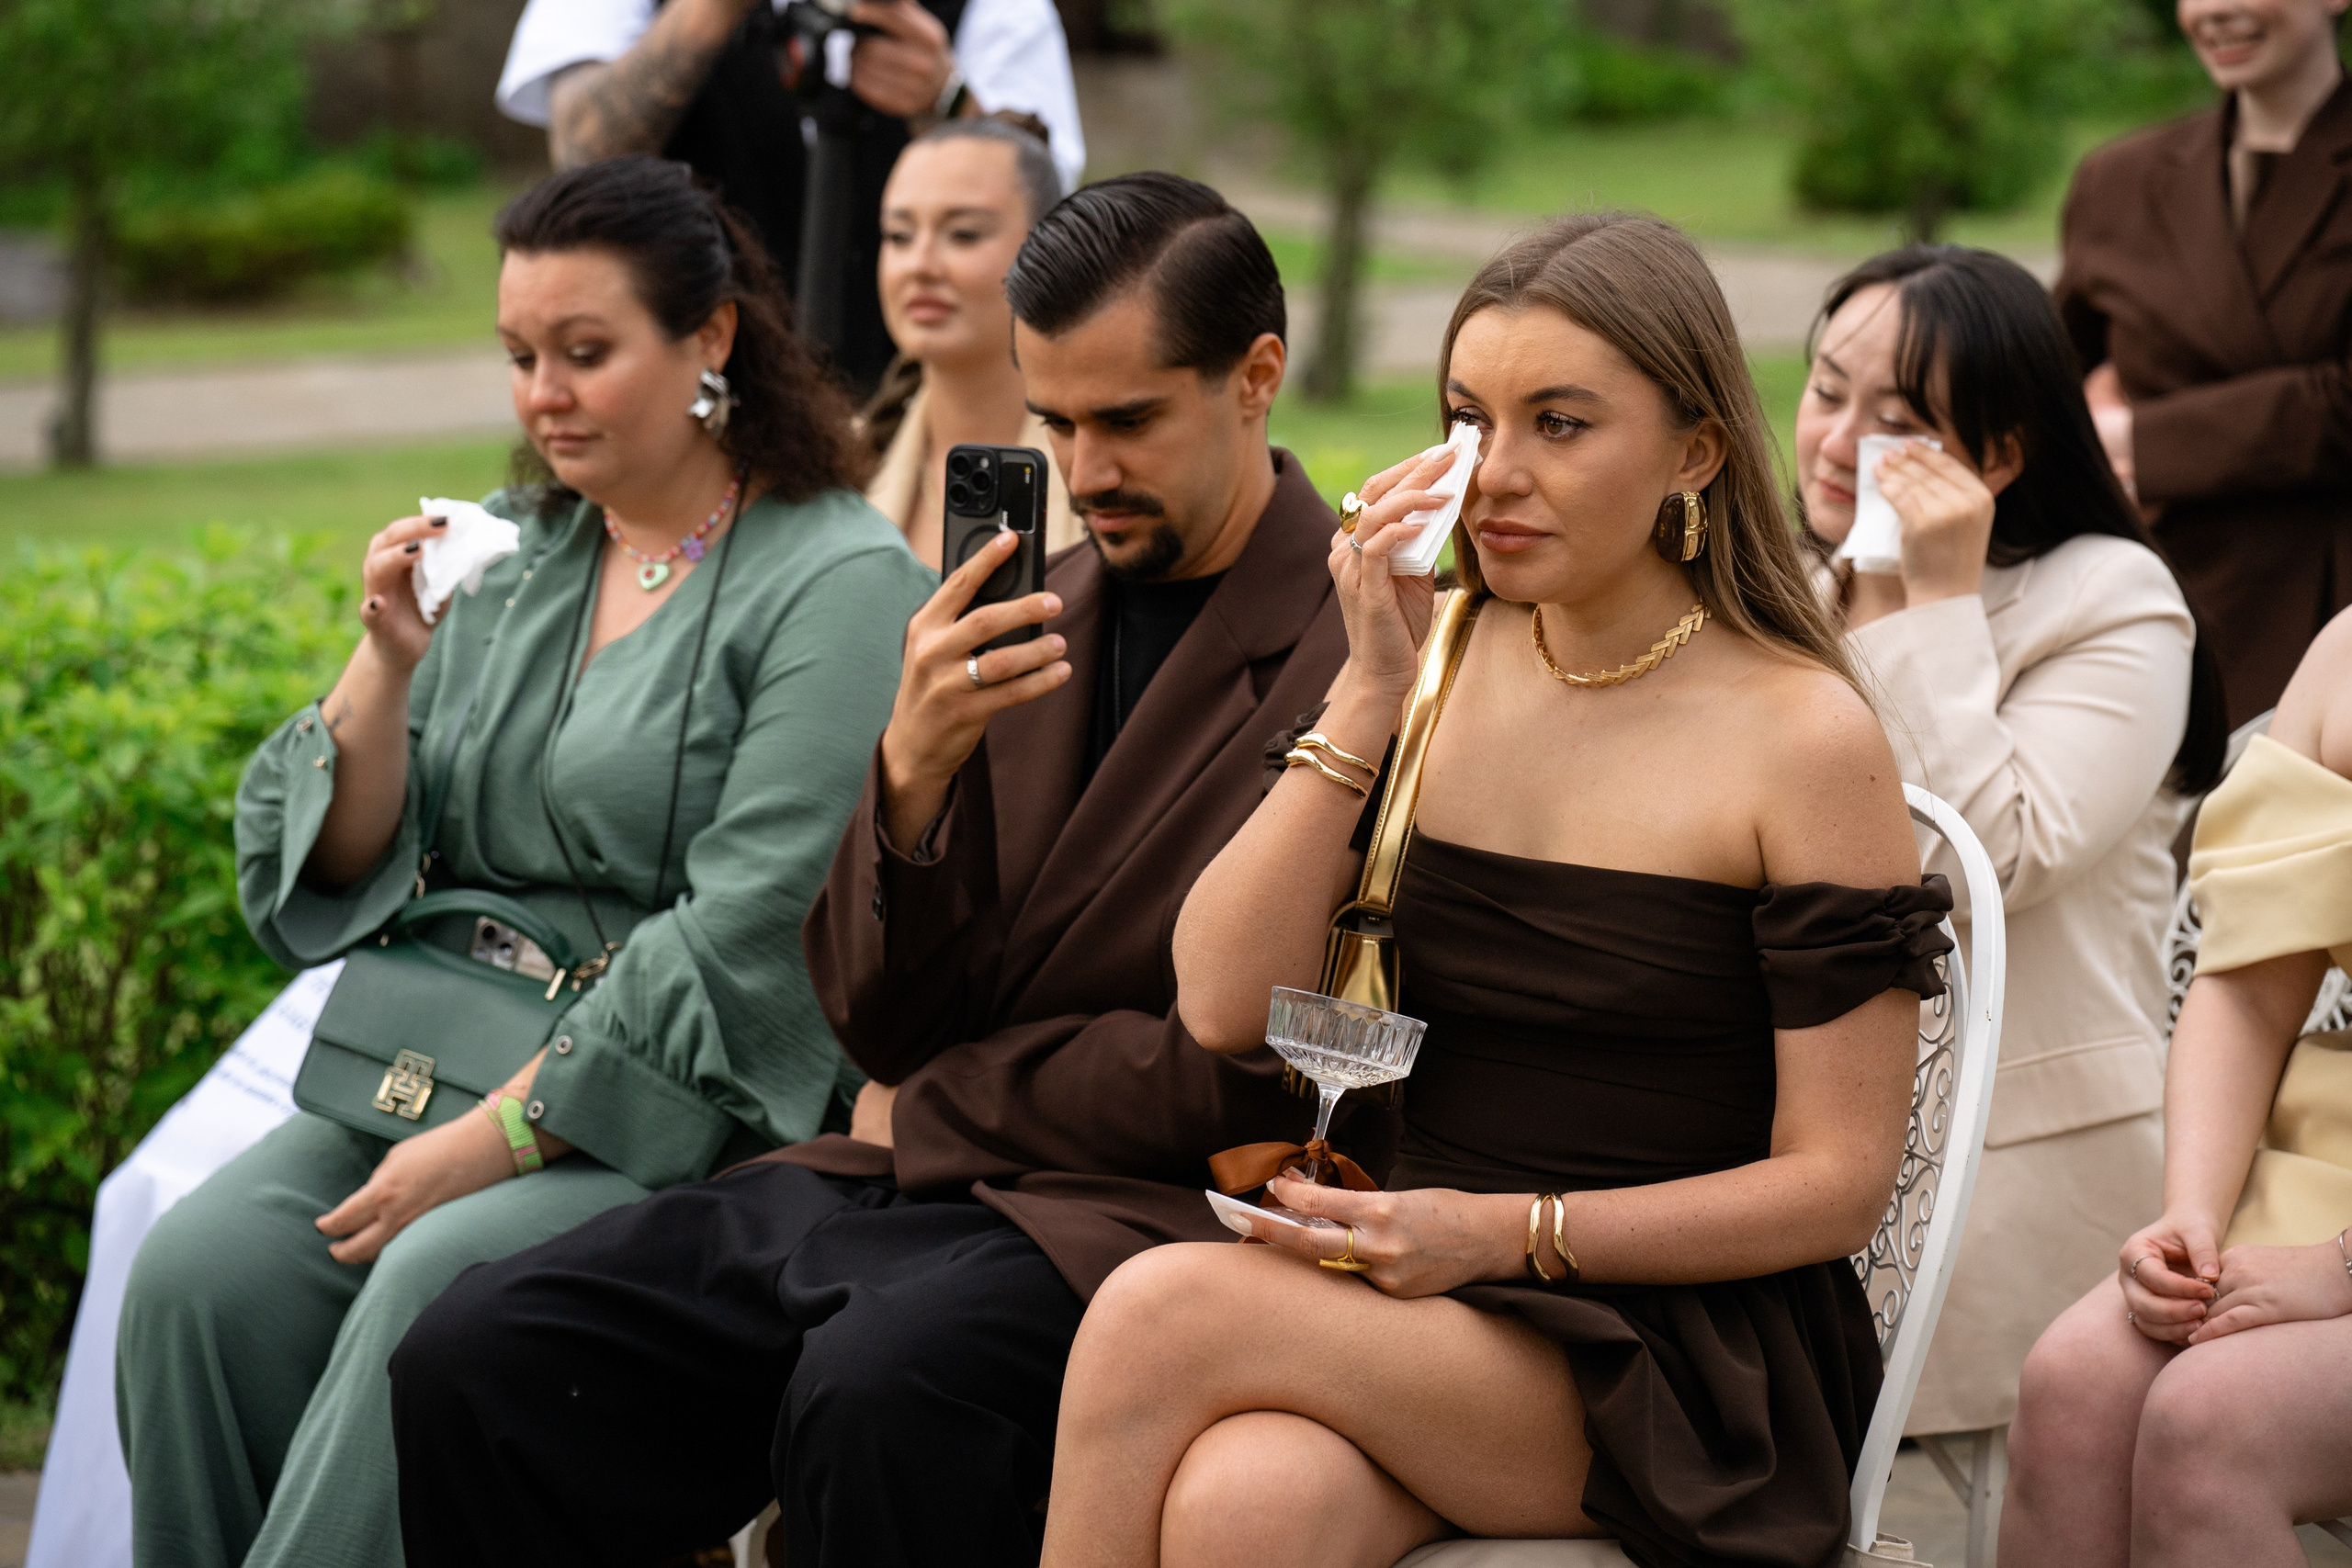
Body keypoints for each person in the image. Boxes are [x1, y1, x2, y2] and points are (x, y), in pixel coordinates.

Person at [387, 173, 1355, 1568]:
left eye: (1127, 419)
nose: (1084, 474)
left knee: (886, 1385)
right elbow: (874, 1024)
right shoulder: (1029, 614)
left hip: (1144, 1219)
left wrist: (943, 1104)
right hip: (896, 1186)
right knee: (483, 1350)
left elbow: (1263, 1058)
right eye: (1053, 422)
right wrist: (910, 777)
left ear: (1256, 376)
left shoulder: (1361, 653)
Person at [1037, 212, 1955, 1568]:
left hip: (1677, 1342)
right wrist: (1364, 695)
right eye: (1471, 418)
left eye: (1562, 424)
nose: (1496, 475)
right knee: (1248, 1504)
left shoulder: (1802, 734)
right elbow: (1225, 1002)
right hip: (1422, 1285)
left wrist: (1504, 1234)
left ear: (1696, 450)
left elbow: (1837, 1182)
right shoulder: (1435, 653)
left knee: (1155, 1309)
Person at [108, 157, 933, 1568]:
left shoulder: (840, 581)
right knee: (198, 1270)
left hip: (681, 1099)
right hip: (432, 1059)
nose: (541, 392)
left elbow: (752, 923)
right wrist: (385, 658)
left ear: (712, 341)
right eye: (519, 355)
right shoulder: (521, 552)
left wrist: (491, 1140)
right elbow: (335, 855)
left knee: (437, 1275)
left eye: (585, 352)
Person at [1792, 244, 2230, 1440]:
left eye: (1897, 423)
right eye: (1827, 391)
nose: (1836, 443)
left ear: (1997, 455)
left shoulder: (2116, 599)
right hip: (1791, 1136)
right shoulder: (1789, 589)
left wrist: (1930, 598)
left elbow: (1979, 861)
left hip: (2011, 1167)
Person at [2001, 610, 2352, 1565]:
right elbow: (2242, 988)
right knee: (2073, 1384)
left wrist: (2344, 1267)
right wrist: (2189, 1215)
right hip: (2323, 1166)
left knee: (2212, 1420)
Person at [496, 0, 1085, 394]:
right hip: (697, 390)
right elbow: (580, 150)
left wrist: (949, 102)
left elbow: (1045, 220)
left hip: (914, 395)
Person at [2055, 0, 2352, 727]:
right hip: (2158, 604)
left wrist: (2140, 442)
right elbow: (2041, 382)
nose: (2215, 10)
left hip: (2332, 612)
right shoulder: (2119, 180)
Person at [862, 117, 1080, 566]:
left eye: (963, 234)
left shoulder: (1105, 479)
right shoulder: (842, 467)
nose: (919, 265)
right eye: (899, 236)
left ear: (1049, 250)